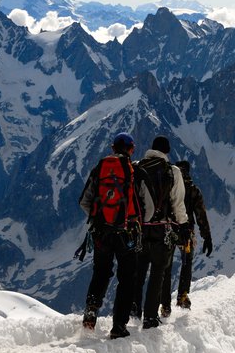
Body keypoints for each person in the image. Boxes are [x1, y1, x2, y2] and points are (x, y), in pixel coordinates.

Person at [78, 132, 145, 340]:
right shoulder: (135, 171)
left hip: (101, 232)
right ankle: (118, 326)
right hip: (128, 233)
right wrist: (134, 221)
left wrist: (100, 218)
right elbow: (148, 206)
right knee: (127, 278)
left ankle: (91, 311)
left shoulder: (100, 169)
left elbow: (84, 201)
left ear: (113, 148)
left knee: (101, 272)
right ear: (131, 150)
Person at [132, 136, 190, 329]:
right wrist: (183, 226)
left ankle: (134, 309)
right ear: (167, 151)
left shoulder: (137, 167)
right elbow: (178, 203)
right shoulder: (172, 171)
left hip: (139, 229)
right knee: (158, 272)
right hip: (162, 229)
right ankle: (150, 316)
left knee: (138, 271)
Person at [161, 160, 212, 315]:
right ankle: (182, 296)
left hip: (169, 230)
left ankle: (165, 304)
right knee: (186, 262)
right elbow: (200, 215)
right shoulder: (193, 189)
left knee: (166, 266)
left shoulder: (169, 186)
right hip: (186, 231)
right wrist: (207, 236)